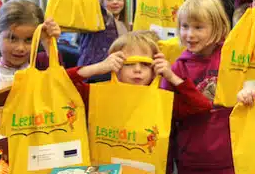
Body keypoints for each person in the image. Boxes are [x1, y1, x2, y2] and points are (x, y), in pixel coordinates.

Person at [161, 0, 240, 174]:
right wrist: (166, 166)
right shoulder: (177, 68)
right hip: (191, 165)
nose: (189, 34)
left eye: (198, 27)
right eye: (185, 26)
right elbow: (164, 120)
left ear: (217, 27)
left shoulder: (232, 58)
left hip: (231, 164)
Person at [66, 31, 212, 119]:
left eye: (145, 64)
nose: (137, 70)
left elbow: (202, 106)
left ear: (154, 67)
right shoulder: (96, 94)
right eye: (129, 64)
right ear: (115, 66)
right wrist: (98, 67)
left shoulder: (162, 100)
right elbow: (60, 83)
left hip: (150, 169)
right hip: (107, 169)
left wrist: (171, 76)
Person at [0, 0, 61, 88]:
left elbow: (59, 80)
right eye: (12, 38)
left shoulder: (41, 64)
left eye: (29, 40)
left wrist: (48, 43)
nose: (20, 48)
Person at [77, 0, 129, 80]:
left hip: (112, 77)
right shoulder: (98, 20)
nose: (115, 2)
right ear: (101, 2)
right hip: (91, 76)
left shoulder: (123, 25)